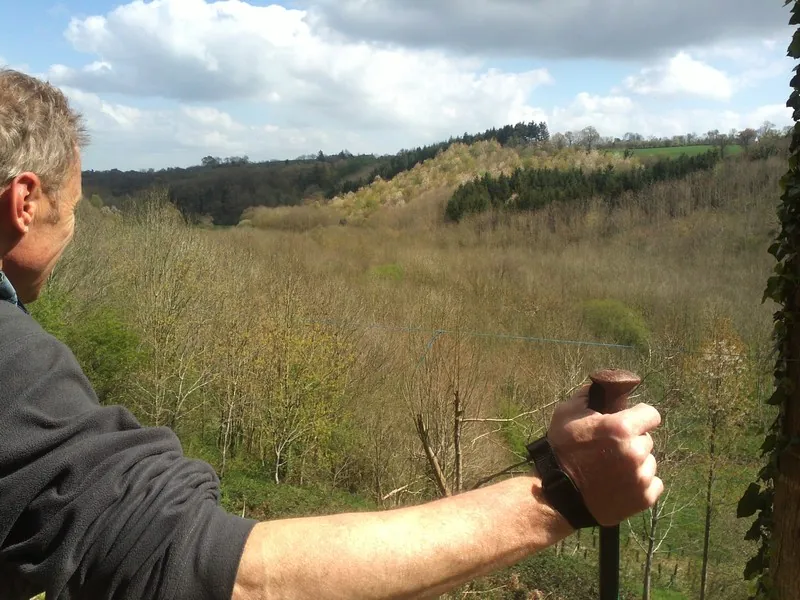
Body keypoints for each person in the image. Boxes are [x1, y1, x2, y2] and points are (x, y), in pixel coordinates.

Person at [0, 68, 663, 600]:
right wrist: (562, 496)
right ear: (25, 204)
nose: (75, 232)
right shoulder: (12, 362)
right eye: (75, 209)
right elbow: (209, 572)